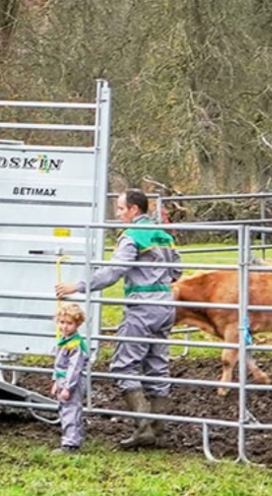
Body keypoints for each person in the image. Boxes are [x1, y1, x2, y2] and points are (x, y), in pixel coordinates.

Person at [56, 188, 182, 448]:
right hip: (166, 305)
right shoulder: (163, 235)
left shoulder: (132, 236)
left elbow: (113, 271)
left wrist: (78, 286)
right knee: (157, 365)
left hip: (142, 306)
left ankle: (143, 428)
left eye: (122, 209)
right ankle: (158, 430)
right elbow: (177, 270)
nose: (118, 214)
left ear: (134, 209)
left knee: (124, 366)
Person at [50, 302, 89, 454]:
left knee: (71, 410)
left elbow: (74, 368)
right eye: (62, 322)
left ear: (77, 324)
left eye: (69, 323)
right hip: (63, 379)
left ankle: (71, 443)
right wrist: (55, 381)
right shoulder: (64, 340)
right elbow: (58, 363)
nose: (65, 326)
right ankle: (71, 439)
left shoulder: (75, 344)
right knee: (65, 409)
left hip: (72, 381)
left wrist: (68, 387)